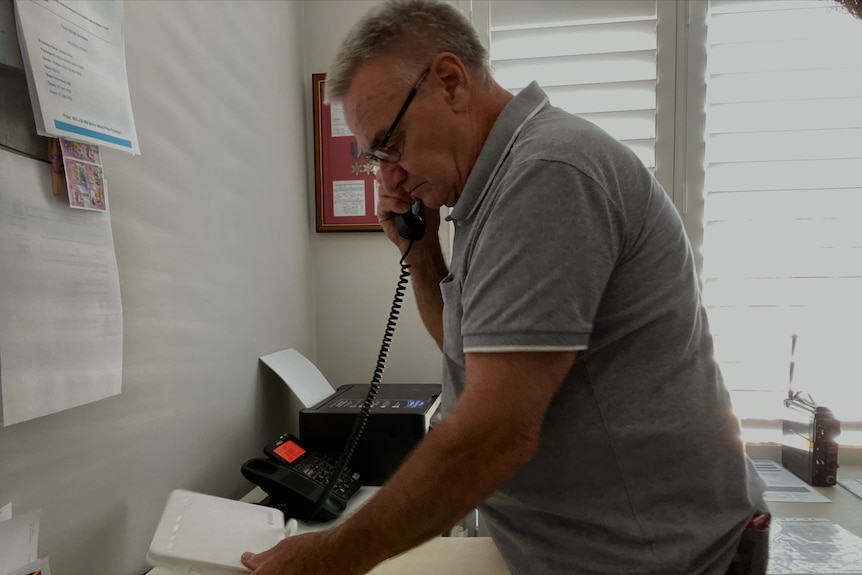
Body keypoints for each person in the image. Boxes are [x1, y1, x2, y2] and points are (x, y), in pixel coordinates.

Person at [241, 1, 766, 573]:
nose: (387, 176)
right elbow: (473, 362)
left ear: (449, 81)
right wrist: (422, 258)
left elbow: (495, 431)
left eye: (390, 143)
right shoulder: (487, 195)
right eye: (374, 158)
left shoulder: (546, 175)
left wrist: (332, 555)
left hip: (664, 558)